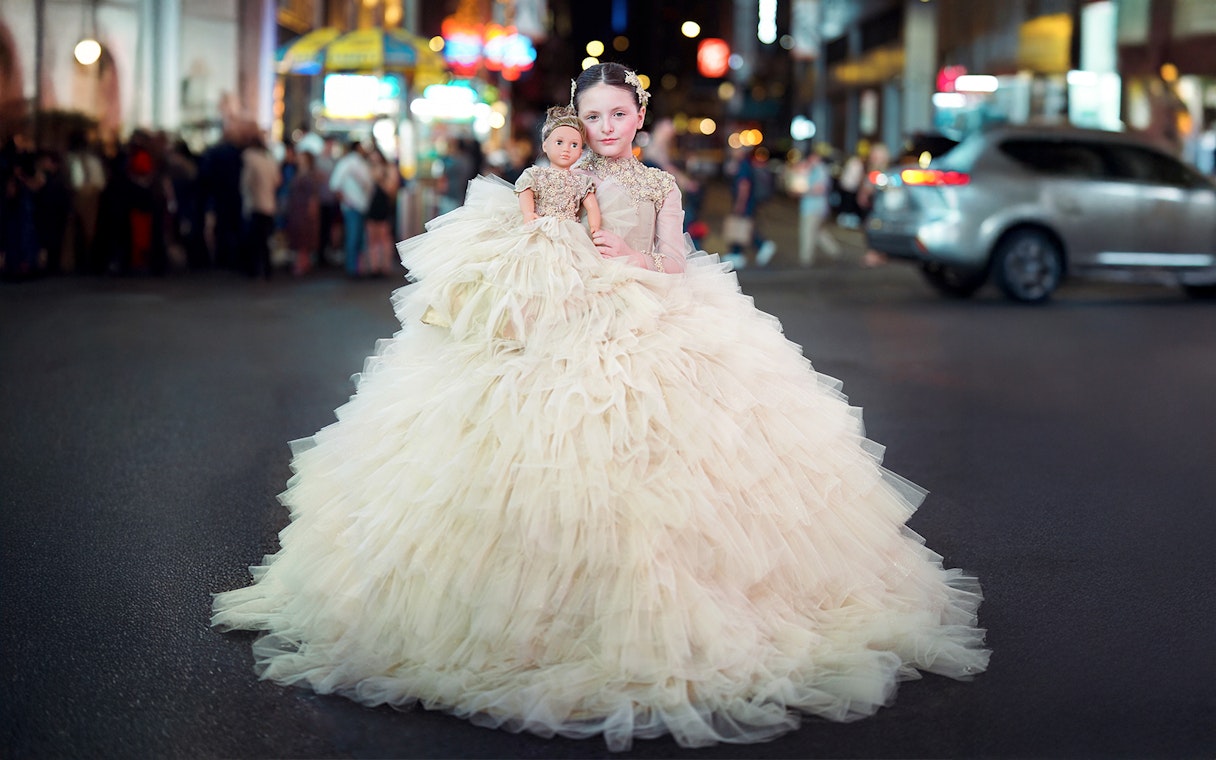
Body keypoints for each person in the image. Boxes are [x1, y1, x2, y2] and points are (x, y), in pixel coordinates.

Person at [212, 61, 988, 751]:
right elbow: (525, 229)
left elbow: (679, 262)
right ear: (575, 121)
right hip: (558, 316)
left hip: (647, 310)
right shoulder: (559, 171)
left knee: (664, 466)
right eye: (594, 117)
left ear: (639, 118)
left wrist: (637, 257)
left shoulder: (657, 184)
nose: (606, 128)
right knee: (512, 452)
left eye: (619, 115)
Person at [515, 105, 600, 232]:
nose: (566, 149)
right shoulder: (536, 174)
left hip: (568, 231)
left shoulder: (581, 181)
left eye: (574, 145)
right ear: (545, 146)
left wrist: (594, 227)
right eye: (559, 142)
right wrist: (528, 212)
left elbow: (592, 208)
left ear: (580, 152)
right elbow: (525, 192)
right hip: (539, 224)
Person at [723, 146, 776, 270]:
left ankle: (755, 247)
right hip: (748, 203)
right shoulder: (744, 165)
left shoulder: (743, 166)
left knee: (742, 226)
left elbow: (744, 186)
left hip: (745, 203)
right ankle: (738, 253)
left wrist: (740, 204)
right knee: (744, 227)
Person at [789, 146, 840, 267]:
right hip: (811, 206)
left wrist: (804, 190)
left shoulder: (820, 170)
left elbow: (819, 189)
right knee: (818, 232)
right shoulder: (809, 169)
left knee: (807, 231)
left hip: (814, 207)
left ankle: (806, 258)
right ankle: (835, 251)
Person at [239, 131, 281, 280]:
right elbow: (277, 181)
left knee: (255, 240)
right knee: (265, 239)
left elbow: (246, 183)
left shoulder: (250, 160)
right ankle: (267, 269)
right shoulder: (269, 160)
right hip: (269, 204)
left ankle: (254, 269)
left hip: (255, 205)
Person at [328, 140, 372, 277]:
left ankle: (358, 267)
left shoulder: (359, 163)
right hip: (353, 206)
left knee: (358, 238)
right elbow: (335, 185)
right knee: (353, 237)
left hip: (360, 206)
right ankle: (353, 268)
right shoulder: (348, 163)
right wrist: (346, 202)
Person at [283, 149, 320, 276]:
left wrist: (312, 211)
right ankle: (303, 262)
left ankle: (302, 263)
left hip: (303, 210)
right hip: (297, 209)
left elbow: (313, 196)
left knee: (303, 237)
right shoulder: (298, 173)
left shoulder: (308, 175)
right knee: (299, 236)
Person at [363, 147, 398, 277]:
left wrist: (380, 178)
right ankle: (374, 266)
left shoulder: (389, 169)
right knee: (372, 237)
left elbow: (392, 190)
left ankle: (385, 266)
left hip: (384, 205)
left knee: (384, 236)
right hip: (370, 206)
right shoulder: (367, 169)